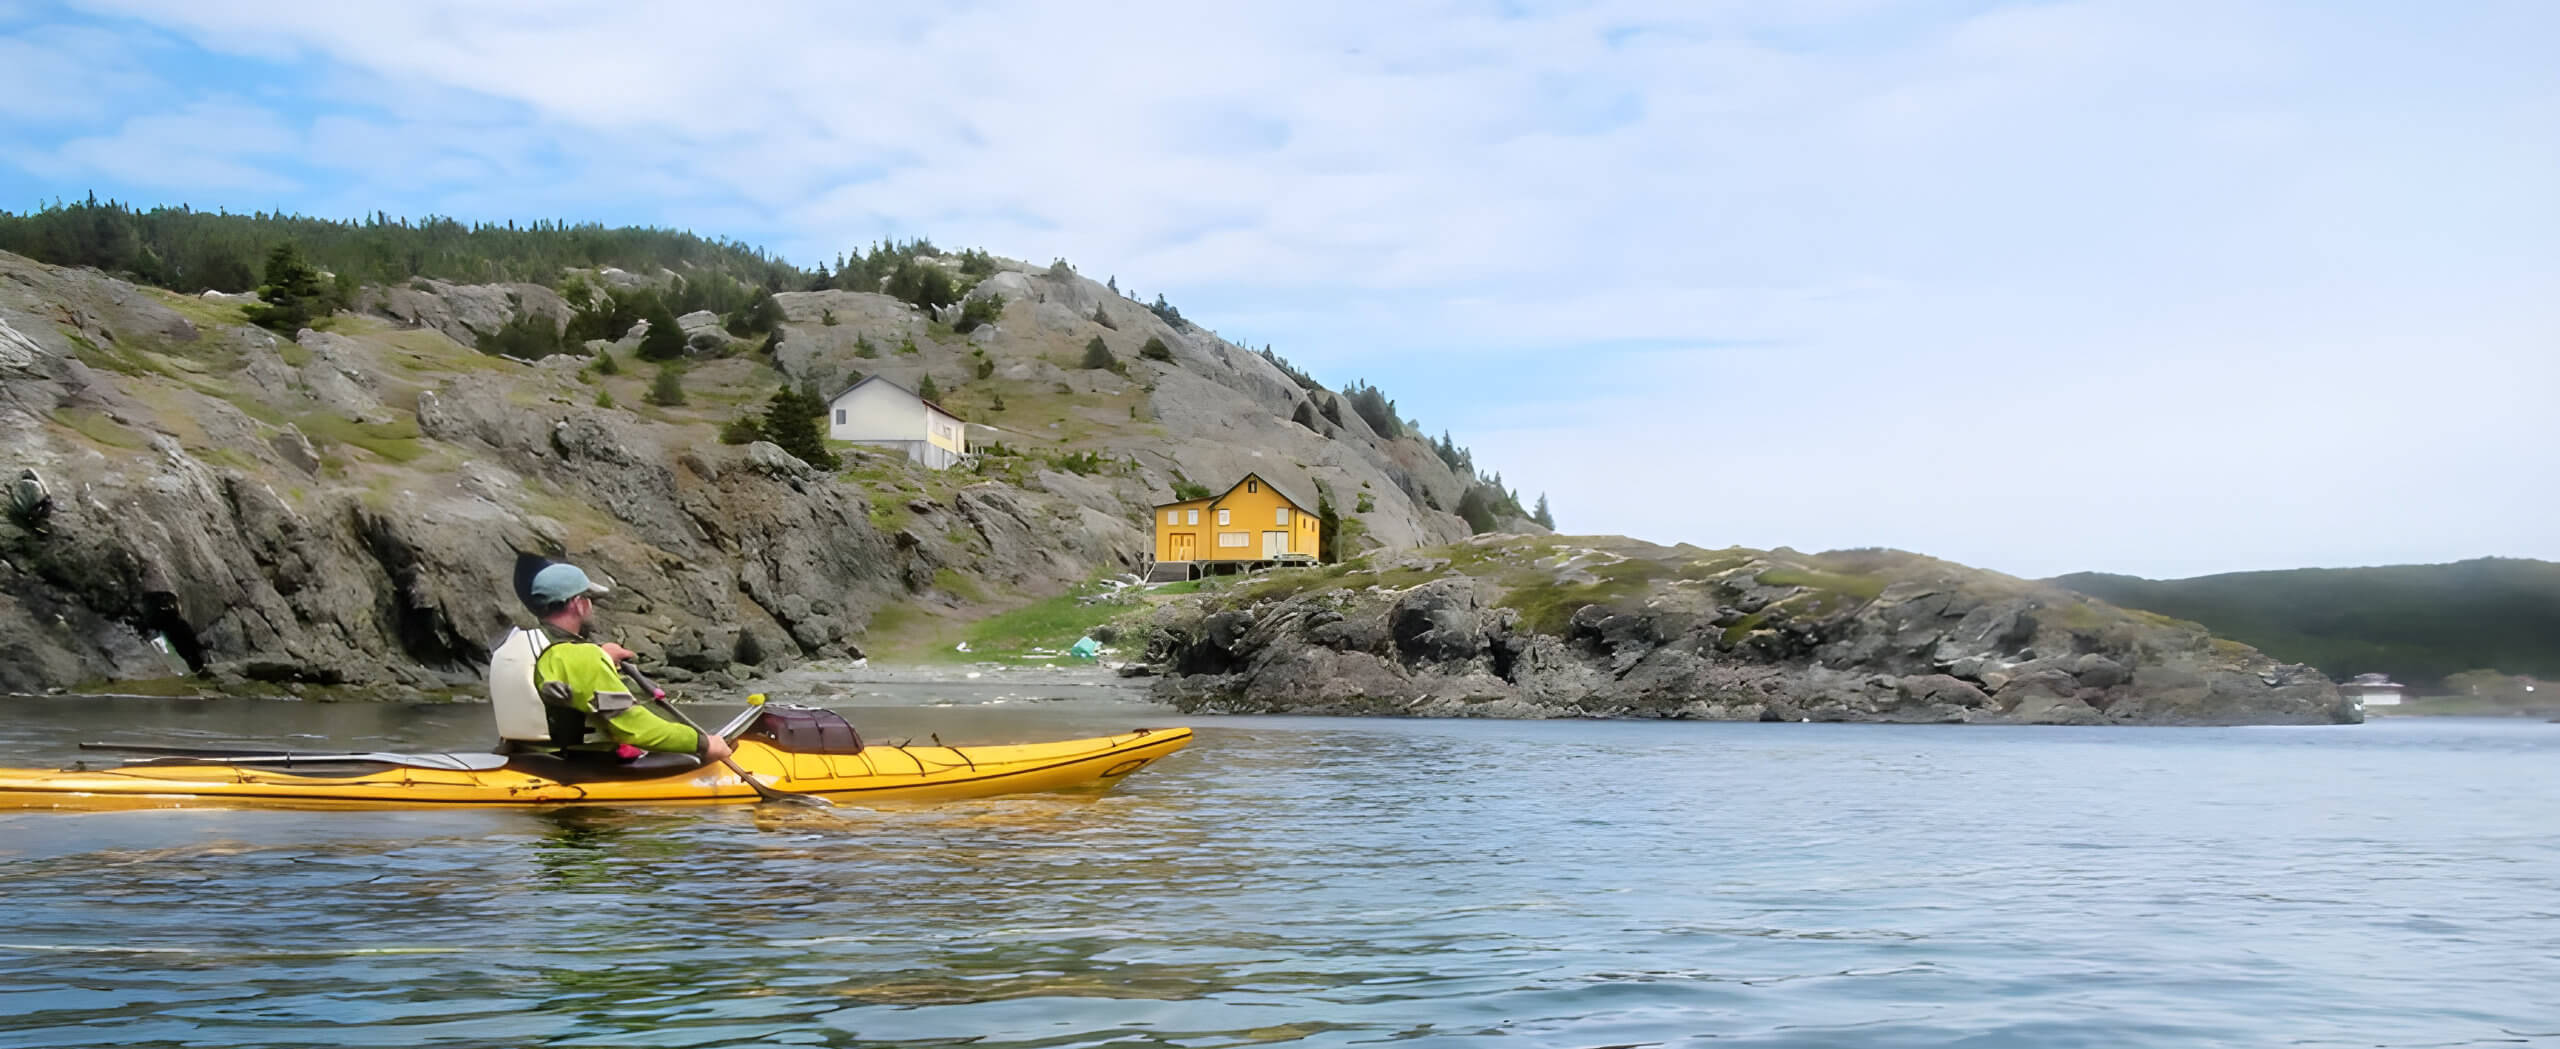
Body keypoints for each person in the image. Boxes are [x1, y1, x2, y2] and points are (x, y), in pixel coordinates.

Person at [526, 562, 732, 764]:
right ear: (578, 604)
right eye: (590, 600)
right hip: (581, 767)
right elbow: (636, 728)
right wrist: (703, 744)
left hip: (532, 759)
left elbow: (559, 665)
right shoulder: (582, 658)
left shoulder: (524, 645)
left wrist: (603, 657)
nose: (591, 607)